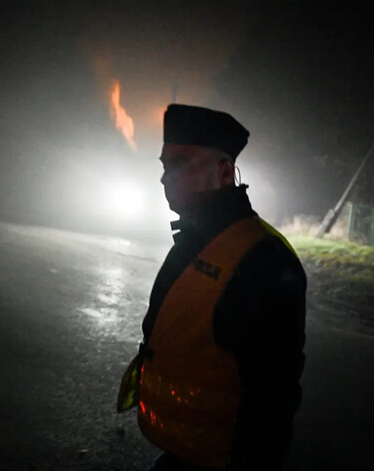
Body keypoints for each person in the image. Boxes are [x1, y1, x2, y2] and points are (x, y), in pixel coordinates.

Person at [118, 104, 306, 470]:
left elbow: (273, 394)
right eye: (164, 164)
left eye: (181, 163)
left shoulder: (263, 258)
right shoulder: (195, 236)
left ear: (223, 172)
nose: (164, 178)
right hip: (179, 455)